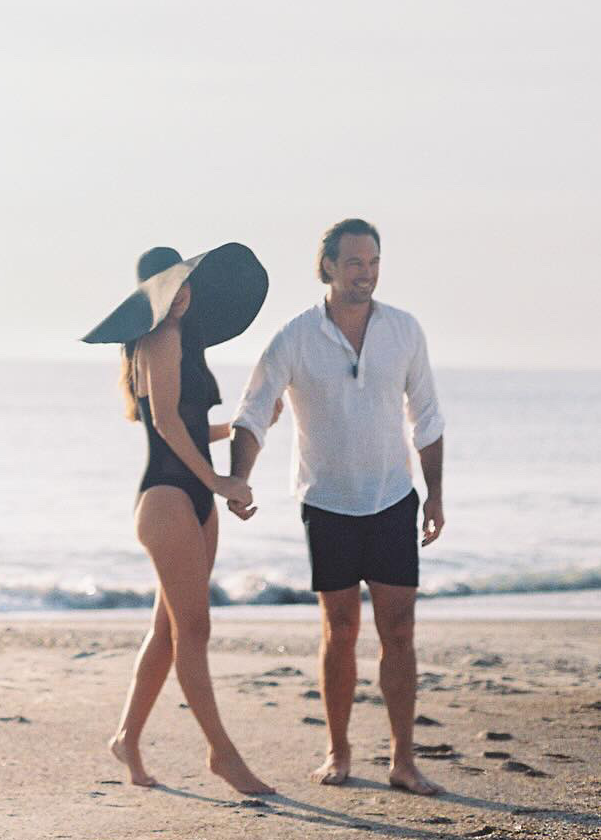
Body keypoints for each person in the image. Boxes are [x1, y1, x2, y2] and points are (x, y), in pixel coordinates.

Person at [228, 218, 446, 795]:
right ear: (327, 266)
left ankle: (403, 760)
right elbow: (254, 410)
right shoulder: (296, 337)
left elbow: (427, 416)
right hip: (327, 502)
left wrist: (436, 495)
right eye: (353, 262)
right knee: (340, 628)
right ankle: (340, 751)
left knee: (399, 628)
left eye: (372, 262)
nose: (365, 273)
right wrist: (239, 480)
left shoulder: (404, 331)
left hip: (393, 498)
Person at [105, 247, 274, 798]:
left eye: (184, 283)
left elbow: (192, 428)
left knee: (167, 630)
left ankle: (127, 738)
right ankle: (222, 755)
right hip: (167, 498)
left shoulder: (184, 339)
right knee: (194, 630)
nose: (179, 294)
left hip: (190, 496)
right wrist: (220, 482)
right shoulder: (159, 339)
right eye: (167, 287)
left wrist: (243, 424)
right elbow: (166, 424)